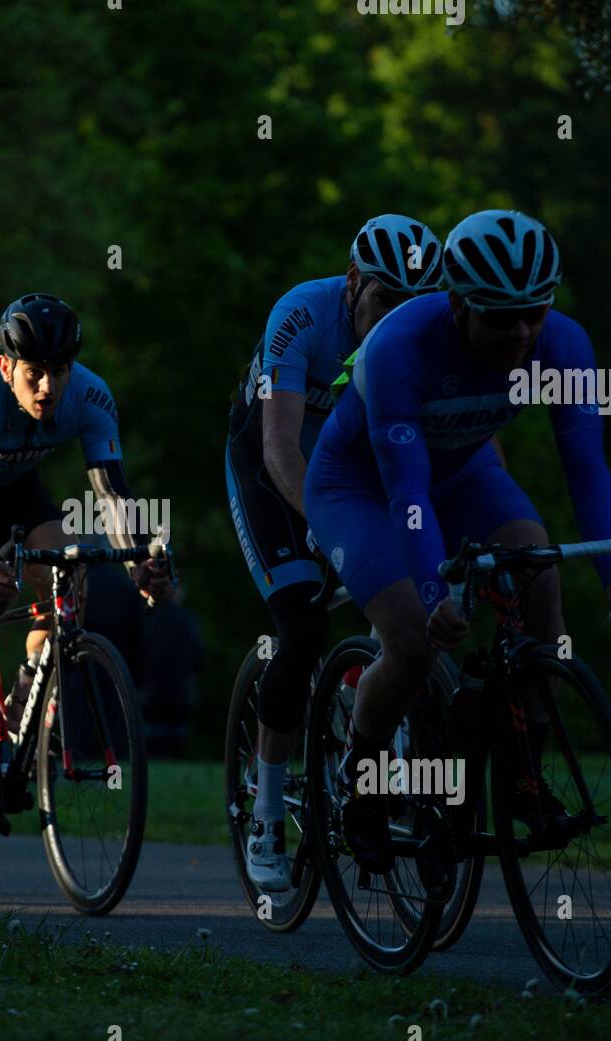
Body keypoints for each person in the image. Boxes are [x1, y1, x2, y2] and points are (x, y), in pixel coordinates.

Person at [304, 209, 611, 873]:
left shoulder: (564, 347)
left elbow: (586, 471)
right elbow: (407, 491)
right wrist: (439, 593)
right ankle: (363, 779)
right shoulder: (397, 347)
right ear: (458, 303)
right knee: (412, 636)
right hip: (362, 488)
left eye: (533, 312)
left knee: (541, 579)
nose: (520, 332)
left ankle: (523, 777)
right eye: (500, 317)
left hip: (465, 472)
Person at [225, 214, 445, 892]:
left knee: (415, 617)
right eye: (383, 300)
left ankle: (380, 766)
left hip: (356, 466)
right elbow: (280, 448)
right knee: (302, 623)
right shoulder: (301, 316)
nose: (394, 321)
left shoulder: (429, 335)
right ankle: (265, 813)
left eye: (412, 305)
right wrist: (321, 526)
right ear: (352, 283)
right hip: (273, 466)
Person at [0, 293, 171, 821]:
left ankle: (21, 707)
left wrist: (138, 563)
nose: (49, 387)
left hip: (18, 491)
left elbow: (113, 496)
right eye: (35, 373)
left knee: (69, 588)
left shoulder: (91, 398)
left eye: (60, 371)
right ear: (6, 366)